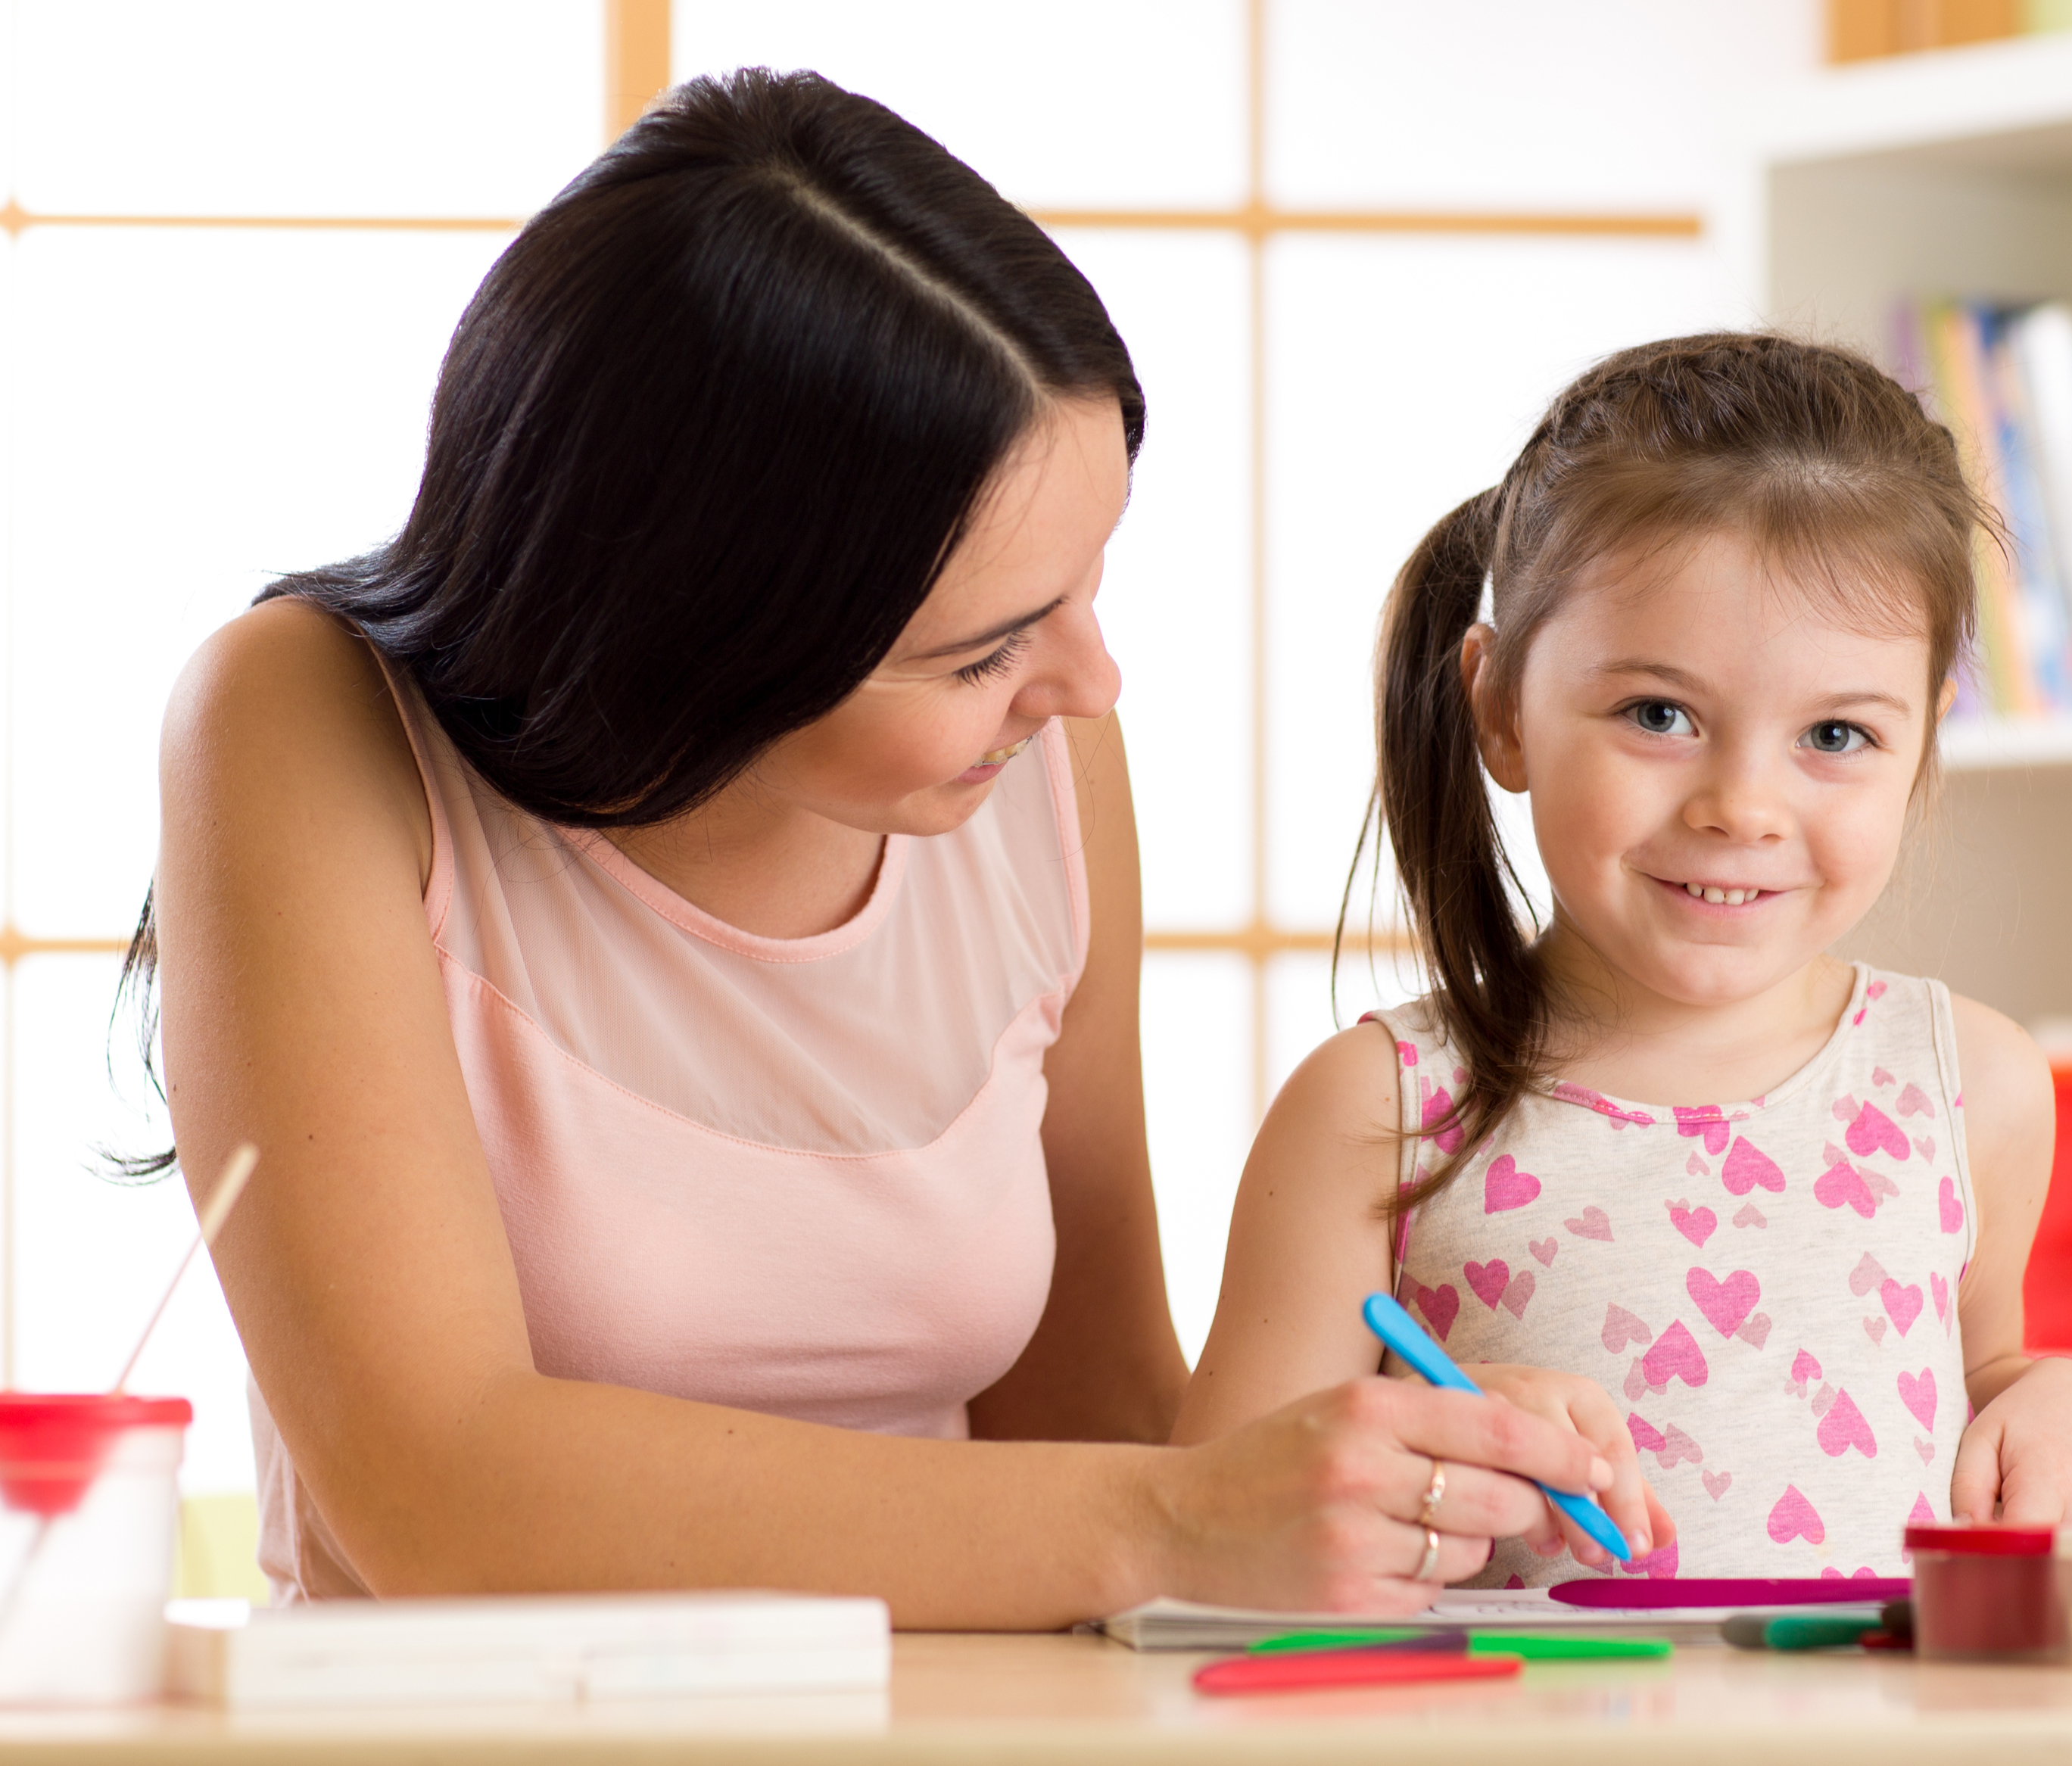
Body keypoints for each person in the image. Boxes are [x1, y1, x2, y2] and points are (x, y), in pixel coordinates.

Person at [134, 69, 1618, 1625]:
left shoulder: (1038, 761)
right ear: (698, 629)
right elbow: (442, 1498)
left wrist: (1390, 1479)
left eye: (1088, 582)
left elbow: (1097, 1410)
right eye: (981, 650)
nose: (1085, 686)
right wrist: (1173, 1514)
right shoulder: (308, 721)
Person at [1174, 332, 2072, 1581]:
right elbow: (1200, 1540)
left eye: (1836, 732)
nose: (1743, 803)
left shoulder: (1970, 1086)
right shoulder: (1379, 1111)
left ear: (1923, 746)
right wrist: (1438, 1457)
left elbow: (1977, 1371)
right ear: (1501, 706)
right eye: (1658, 715)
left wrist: (2063, 1395)